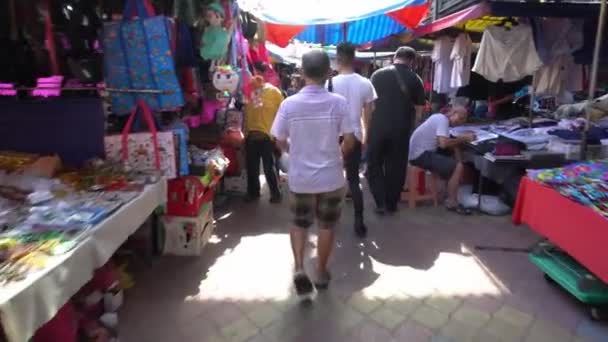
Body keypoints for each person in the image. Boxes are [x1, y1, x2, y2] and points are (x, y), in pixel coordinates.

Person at [271, 50, 355, 296]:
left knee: (299, 224)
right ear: (328, 73)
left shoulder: (289, 104)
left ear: (302, 73)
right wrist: (338, 156)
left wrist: (292, 152)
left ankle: (299, 268)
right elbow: (350, 140)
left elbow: (278, 138)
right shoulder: (338, 103)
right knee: (327, 226)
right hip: (331, 177)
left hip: (300, 178)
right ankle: (320, 271)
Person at [366, 46, 426, 214]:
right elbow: (420, 111)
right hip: (401, 129)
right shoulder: (416, 79)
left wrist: (367, 126)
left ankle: (380, 202)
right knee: (397, 166)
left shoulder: (377, 75)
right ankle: (392, 203)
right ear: (412, 61)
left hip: (378, 126)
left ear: (395, 57)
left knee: (374, 163)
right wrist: (411, 127)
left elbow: (369, 105)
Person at [328, 42, 377, 238]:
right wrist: (366, 136)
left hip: (334, 137)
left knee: (332, 179)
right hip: (355, 135)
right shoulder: (365, 83)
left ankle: (330, 219)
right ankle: (359, 221)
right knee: (353, 180)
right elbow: (368, 114)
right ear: (354, 57)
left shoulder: (329, 84)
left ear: (338, 59)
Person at [408, 106, 474, 215]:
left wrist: (459, 155)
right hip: (420, 156)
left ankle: (448, 190)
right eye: (461, 118)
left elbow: (448, 144)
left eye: (464, 120)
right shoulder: (442, 120)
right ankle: (452, 202)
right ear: (453, 112)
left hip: (421, 153)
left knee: (455, 157)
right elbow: (444, 144)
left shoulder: (439, 119)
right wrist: (465, 138)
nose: (461, 122)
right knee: (458, 167)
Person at [243, 62, 283, 203]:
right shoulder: (248, 91)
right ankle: (253, 193)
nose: (256, 75)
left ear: (265, 74)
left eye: (259, 72)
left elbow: (282, 114)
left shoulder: (274, 92)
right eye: (254, 72)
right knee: (252, 167)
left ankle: (275, 193)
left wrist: (280, 136)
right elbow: (244, 113)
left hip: (268, 136)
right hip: (251, 135)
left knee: (269, 167)